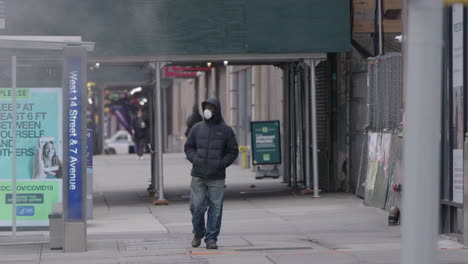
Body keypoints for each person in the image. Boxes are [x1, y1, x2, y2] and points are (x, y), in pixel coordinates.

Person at [184, 98, 239, 250]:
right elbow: (188, 147)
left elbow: (233, 151)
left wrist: (222, 163)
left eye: (211, 107)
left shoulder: (226, 130)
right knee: (196, 207)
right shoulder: (196, 128)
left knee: (216, 208)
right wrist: (195, 159)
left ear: (216, 110)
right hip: (198, 174)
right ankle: (198, 232)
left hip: (217, 176)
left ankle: (211, 239)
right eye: (206, 107)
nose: (207, 110)